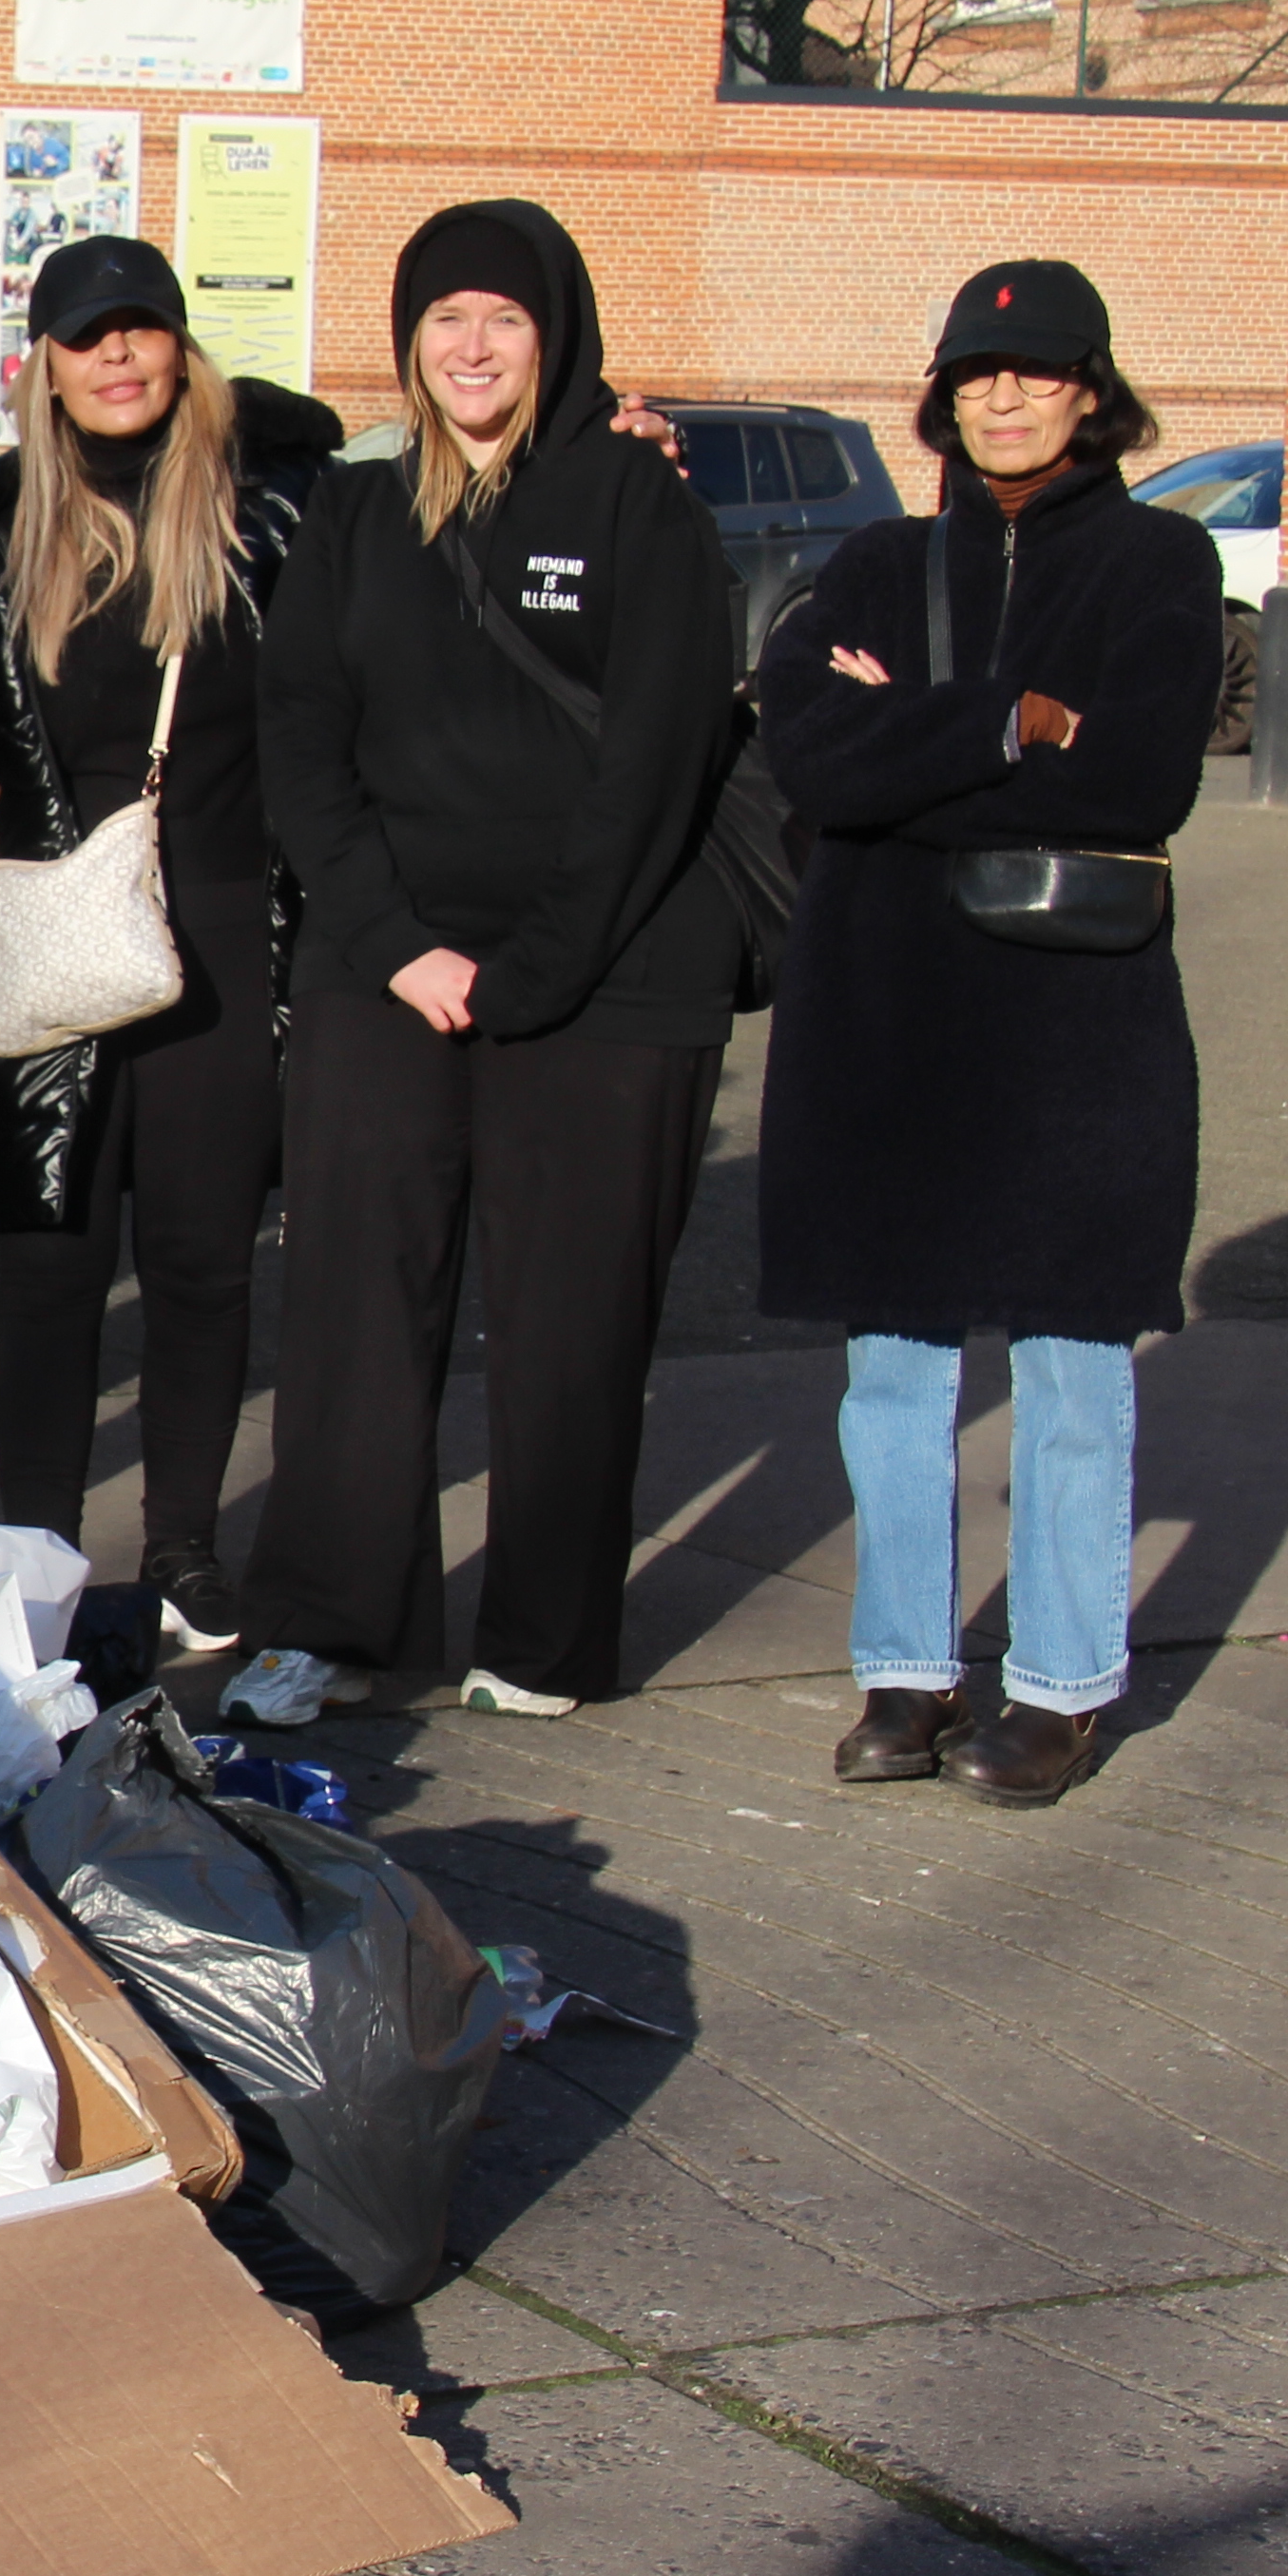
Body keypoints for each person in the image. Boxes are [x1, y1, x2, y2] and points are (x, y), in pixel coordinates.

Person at [227, 200, 747, 1728]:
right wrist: (399, 948)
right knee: (352, 1304)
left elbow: (656, 762)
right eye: (444, 319)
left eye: (503, 320)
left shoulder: (640, 504)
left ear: (553, 335)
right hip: (382, 970)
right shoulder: (354, 512)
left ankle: (546, 1638)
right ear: (408, 342)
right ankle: (333, 1622)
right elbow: (299, 745)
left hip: (610, 975)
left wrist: (529, 973)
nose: (471, 347)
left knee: (570, 1322)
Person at [759, 260, 1214, 1808]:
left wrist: (908, 749)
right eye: (974, 374)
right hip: (884, 1020)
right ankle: (904, 1671)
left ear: (1093, 392)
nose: (1003, 397)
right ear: (941, 398)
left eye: (1034, 370)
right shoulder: (875, 560)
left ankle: (1060, 1684)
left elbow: (1140, 780)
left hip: (1071, 1030)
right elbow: (807, 754)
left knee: (1073, 1364)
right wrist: (1012, 723)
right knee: (891, 1372)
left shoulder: (1159, 560)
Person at [0, 238, 342, 1634]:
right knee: (49, 1266)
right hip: (46, 934)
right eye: (87, 336)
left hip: (225, 929)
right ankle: (38, 1551)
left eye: (140, 329)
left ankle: (181, 1550)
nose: (116, 356)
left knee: (206, 1265)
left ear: (179, 346)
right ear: (44, 365)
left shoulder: (273, 506)